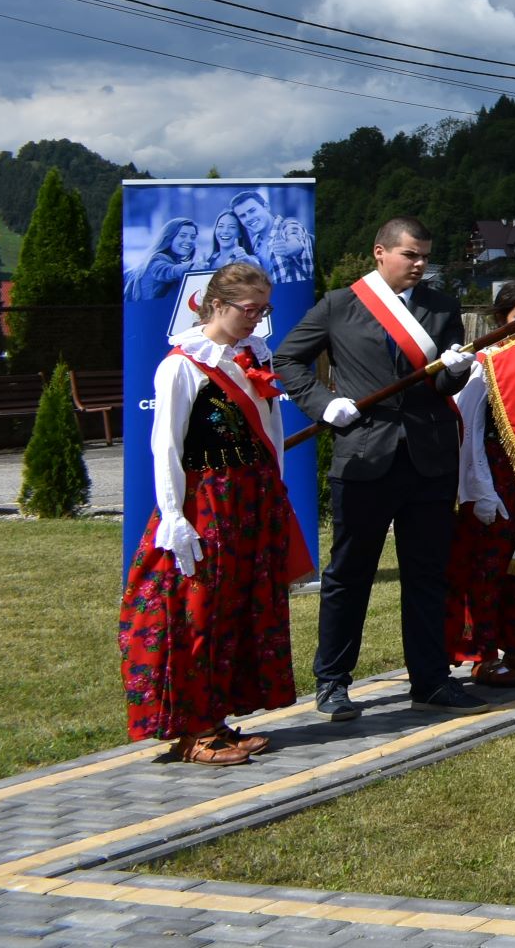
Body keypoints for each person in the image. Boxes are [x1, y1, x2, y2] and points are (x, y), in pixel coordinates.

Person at [277, 216, 477, 717]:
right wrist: (323, 404)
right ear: (380, 252)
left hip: (429, 460)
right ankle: (333, 682)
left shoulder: (442, 306)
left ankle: (430, 680)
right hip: (365, 455)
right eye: (411, 254)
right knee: (350, 574)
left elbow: (443, 386)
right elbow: (287, 360)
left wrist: (455, 374)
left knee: (428, 575)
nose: (420, 264)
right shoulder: (339, 305)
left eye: (426, 256)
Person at [120, 263, 311, 763]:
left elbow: (270, 437)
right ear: (218, 305)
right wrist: (174, 518)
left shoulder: (252, 356)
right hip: (208, 501)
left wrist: (276, 494)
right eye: (250, 310)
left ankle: (218, 717)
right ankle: (192, 730)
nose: (257, 319)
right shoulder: (181, 365)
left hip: (251, 501)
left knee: (238, 610)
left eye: (264, 310)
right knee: (197, 611)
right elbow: (164, 446)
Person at [444, 281, 515, 687]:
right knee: (487, 568)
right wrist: (480, 490)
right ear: (501, 320)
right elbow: (470, 429)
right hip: (494, 476)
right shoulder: (484, 365)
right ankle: (484, 654)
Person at [125, 216, 205, 301]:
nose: (189, 240)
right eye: (182, 236)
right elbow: (170, 271)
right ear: (169, 238)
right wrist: (192, 267)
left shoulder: (172, 261)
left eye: (193, 237)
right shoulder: (156, 260)